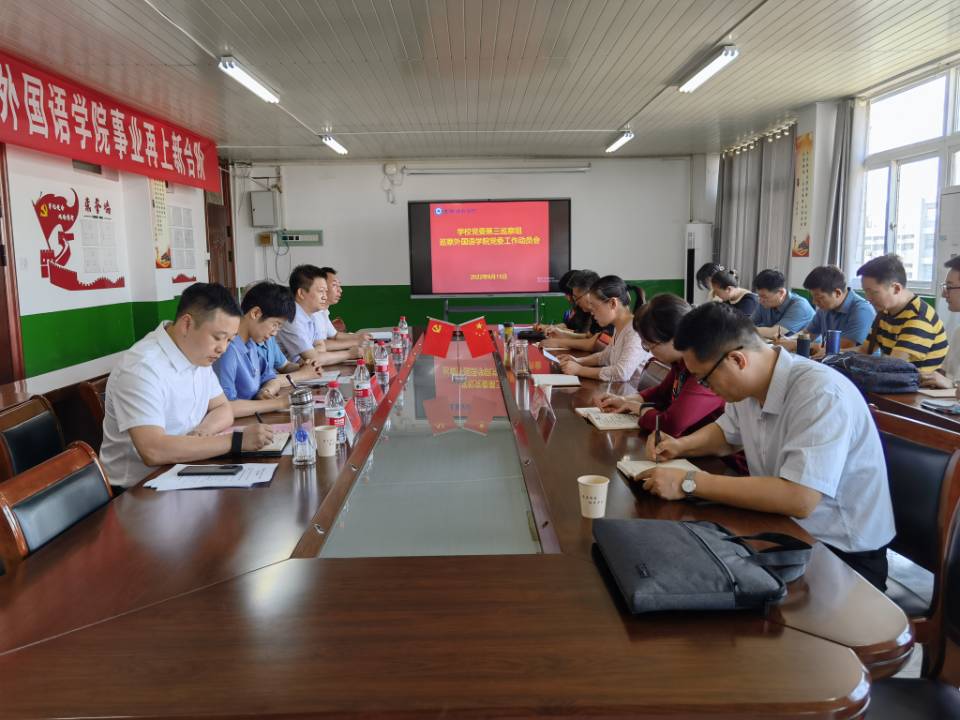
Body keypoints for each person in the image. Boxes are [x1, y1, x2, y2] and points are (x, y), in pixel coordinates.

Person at [640, 302, 895, 590]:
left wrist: (688, 482)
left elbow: (799, 498)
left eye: (705, 380)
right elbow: (726, 434)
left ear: (737, 360)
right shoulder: (751, 386)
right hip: (784, 530)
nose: (706, 388)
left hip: (840, 554)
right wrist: (680, 446)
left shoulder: (820, 393)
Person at [100, 283, 274, 490]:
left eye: (229, 340)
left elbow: (223, 408)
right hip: (138, 490)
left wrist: (203, 431)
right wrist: (236, 441)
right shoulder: (142, 368)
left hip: (185, 469)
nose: (222, 348)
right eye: (218, 338)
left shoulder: (197, 353)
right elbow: (153, 450)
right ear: (187, 324)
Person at [596, 294, 724, 436]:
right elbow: (662, 393)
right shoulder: (680, 362)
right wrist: (625, 400)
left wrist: (639, 408)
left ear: (676, 337)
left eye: (650, 344)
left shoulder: (703, 367)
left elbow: (672, 424)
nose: (650, 351)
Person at [213, 282, 295, 418]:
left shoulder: (251, 344)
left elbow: (271, 378)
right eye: (275, 324)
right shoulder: (227, 350)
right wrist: (278, 403)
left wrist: (265, 391)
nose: (275, 333)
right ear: (255, 313)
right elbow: (225, 407)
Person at [857, 253, 948, 373]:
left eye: (873, 292)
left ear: (896, 288)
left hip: (919, 384)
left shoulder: (918, 318)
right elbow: (864, 351)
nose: (868, 298)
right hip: (895, 379)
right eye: (865, 292)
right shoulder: (884, 312)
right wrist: (835, 354)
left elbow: (893, 365)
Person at [557, 276, 650, 382]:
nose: (592, 313)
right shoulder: (619, 327)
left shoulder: (634, 331)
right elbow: (605, 356)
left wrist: (579, 370)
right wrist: (578, 361)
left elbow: (621, 373)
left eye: (595, 307)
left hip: (631, 390)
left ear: (613, 303)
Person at [777, 266, 876, 355]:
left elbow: (842, 346)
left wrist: (795, 344)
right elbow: (808, 333)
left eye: (819, 298)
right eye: (813, 297)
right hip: (830, 360)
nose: (814, 302)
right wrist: (788, 340)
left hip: (855, 365)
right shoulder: (825, 308)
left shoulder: (862, 310)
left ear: (837, 293)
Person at [277, 264, 362, 365]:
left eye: (326, 292)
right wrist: (349, 354)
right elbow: (314, 359)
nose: (325, 297)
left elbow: (321, 346)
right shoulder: (292, 317)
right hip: (286, 372)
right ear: (301, 293)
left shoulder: (311, 315)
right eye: (321, 291)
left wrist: (315, 354)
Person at [541, 270, 612, 352]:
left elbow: (596, 344)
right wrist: (562, 333)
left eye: (577, 298)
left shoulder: (606, 311)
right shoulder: (595, 311)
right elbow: (589, 337)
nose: (576, 302)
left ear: (590, 293)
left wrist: (560, 343)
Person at [920, 256, 960, 394]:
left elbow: (951, 382)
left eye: (949, 287)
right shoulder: (958, 332)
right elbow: (945, 374)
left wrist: (952, 385)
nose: (944, 294)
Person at [314, 267, 370, 347]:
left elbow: (335, 335)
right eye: (334, 285)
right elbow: (319, 345)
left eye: (339, 285)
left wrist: (360, 336)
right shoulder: (314, 313)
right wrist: (355, 343)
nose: (340, 290)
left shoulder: (324, 312)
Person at [751, 269, 815, 338]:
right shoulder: (763, 302)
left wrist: (747, 329)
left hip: (807, 344)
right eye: (759, 296)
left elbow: (775, 333)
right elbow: (750, 323)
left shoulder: (800, 306)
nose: (760, 301)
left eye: (764, 297)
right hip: (778, 343)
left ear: (781, 293)